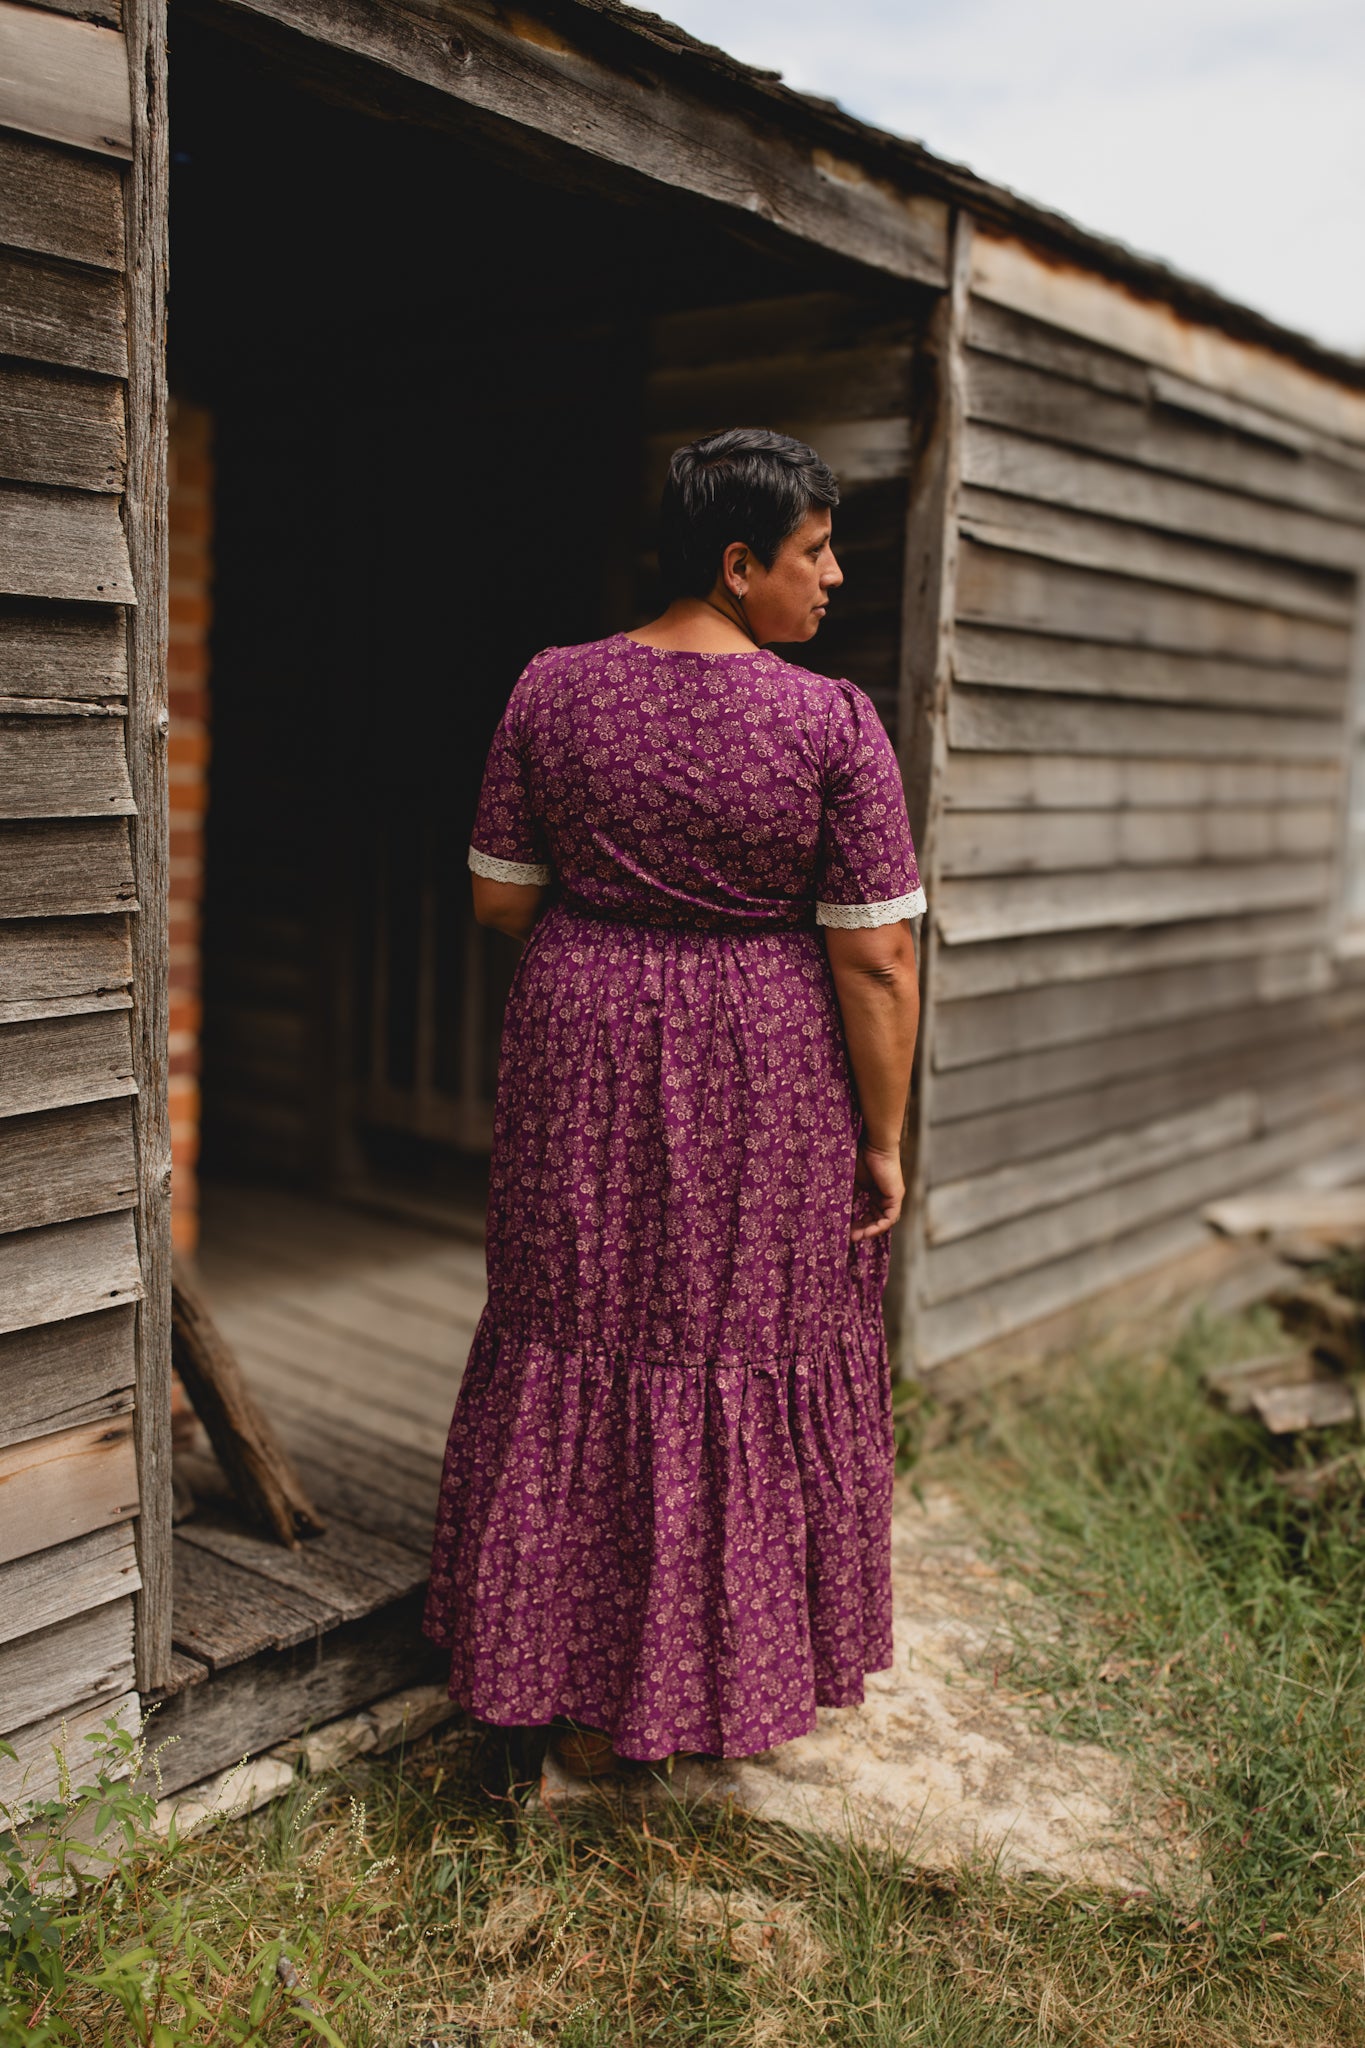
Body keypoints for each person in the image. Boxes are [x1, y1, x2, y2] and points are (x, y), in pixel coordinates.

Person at [422, 426, 924, 1778]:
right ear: (736, 560)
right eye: (814, 553)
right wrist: (879, 1139)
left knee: (574, 1322)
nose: (830, 581)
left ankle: (564, 1685)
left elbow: (495, 900)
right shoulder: (827, 722)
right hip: (762, 1060)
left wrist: (620, 933)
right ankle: (709, 1687)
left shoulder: (549, 689)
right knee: (732, 1339)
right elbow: (874, 953)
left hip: (574, 1037)